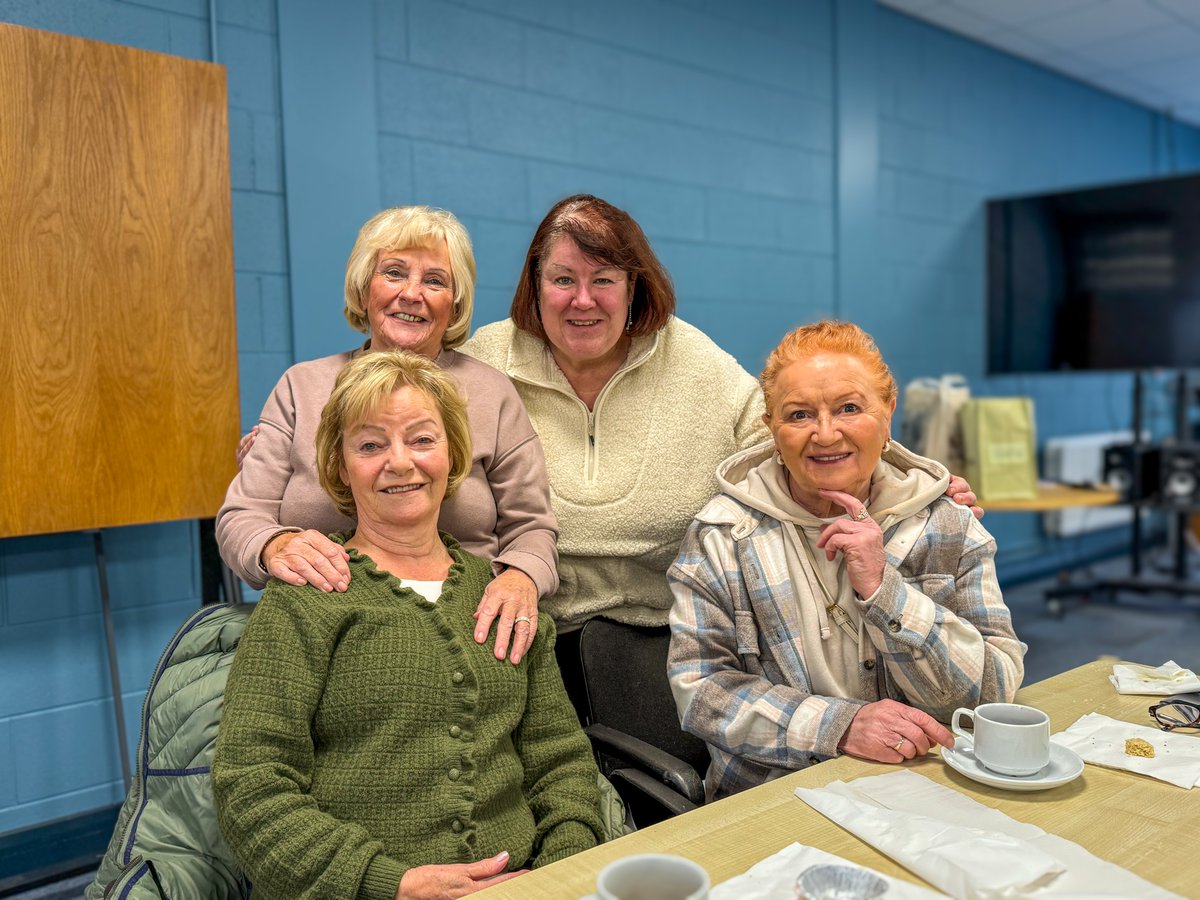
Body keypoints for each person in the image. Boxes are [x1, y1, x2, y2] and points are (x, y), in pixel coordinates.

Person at [462, 195, 981, 636]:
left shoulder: (693, 361)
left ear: (633, 287)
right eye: (562, 279)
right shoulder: (486, 362)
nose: (583, 300)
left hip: (665, 632)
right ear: (534, 284)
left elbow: (794, 437)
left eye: (603, 279)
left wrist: (913, 488)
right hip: (521, 621)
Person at [213, 350, 605, 899]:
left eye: (422, 440)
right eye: (371, 445)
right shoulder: (306, 599)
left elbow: (560, 762)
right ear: (341, 466)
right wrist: (386, 883)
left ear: (453, 457)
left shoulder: (502, 596)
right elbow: (250, 783)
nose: (401, 462)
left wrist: (562, 873)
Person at [666, 321, 1025, 801]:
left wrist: (885, 591)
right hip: (777, 799)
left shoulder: (948, 524)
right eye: (798, 415)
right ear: (772, 427)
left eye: (850, 408)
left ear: (888, 413)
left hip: (935, 786)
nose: (825, 434)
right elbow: (701, 692)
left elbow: (996, 690)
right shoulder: (721, 537)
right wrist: (840, 726)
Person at [217, 206, 553, 664]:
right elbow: (242, 516)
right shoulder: (302, 387)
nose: (412, 294)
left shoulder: (491, 394)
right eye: (393, 273)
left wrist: (520, 578)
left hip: (465, 628)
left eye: (435, 281)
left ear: (455, 302)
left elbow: (532, 526)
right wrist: (275, 545)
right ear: (363, 288)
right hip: (323, 627)